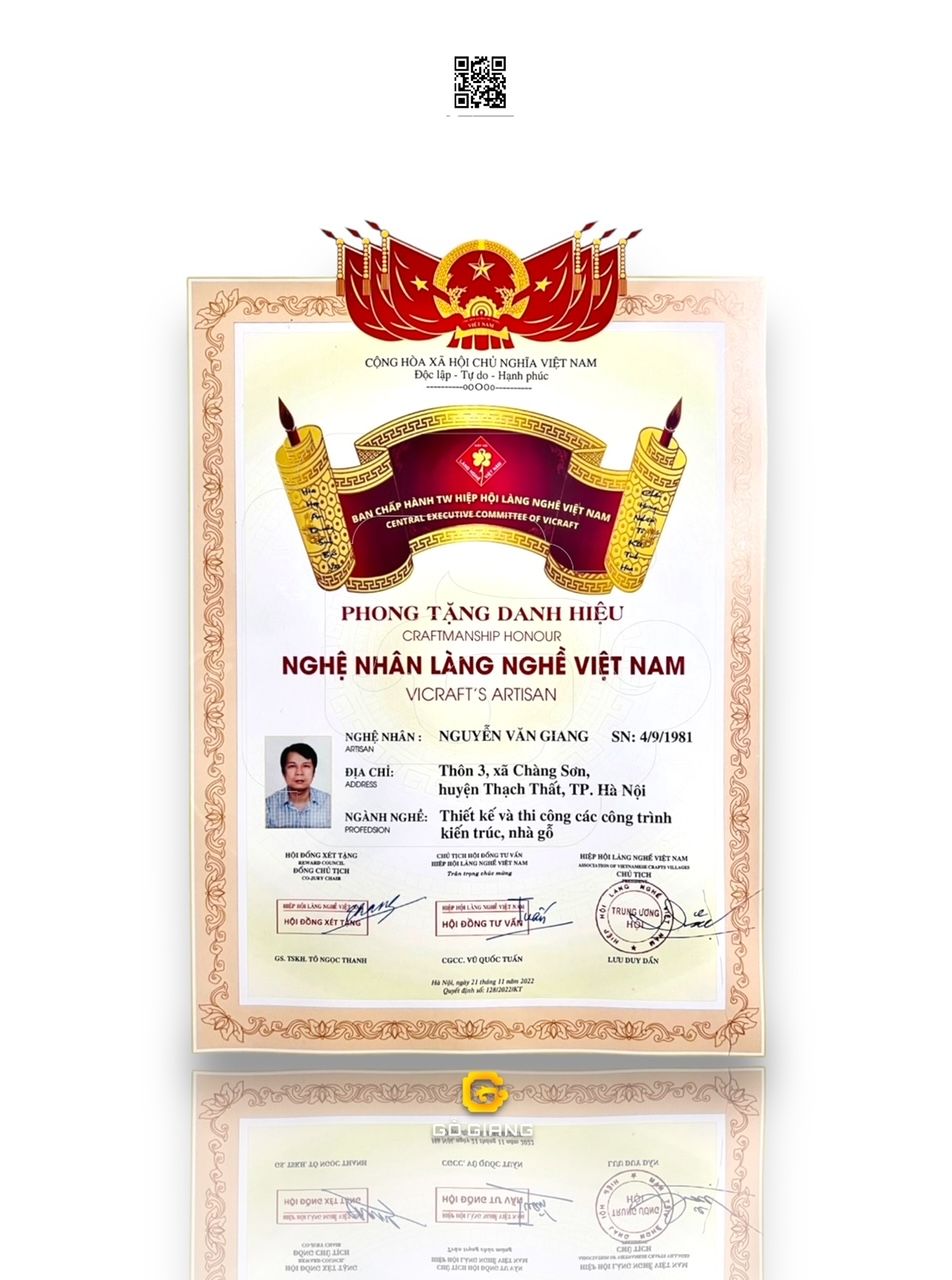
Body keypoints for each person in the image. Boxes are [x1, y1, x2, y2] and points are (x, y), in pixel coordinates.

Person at [265, 742, 331, 828]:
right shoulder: (268, 805)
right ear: (283, 772)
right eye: (292, 766)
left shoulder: (328, 803)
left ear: (314, 772)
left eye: (306, 766)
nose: (299, 772)